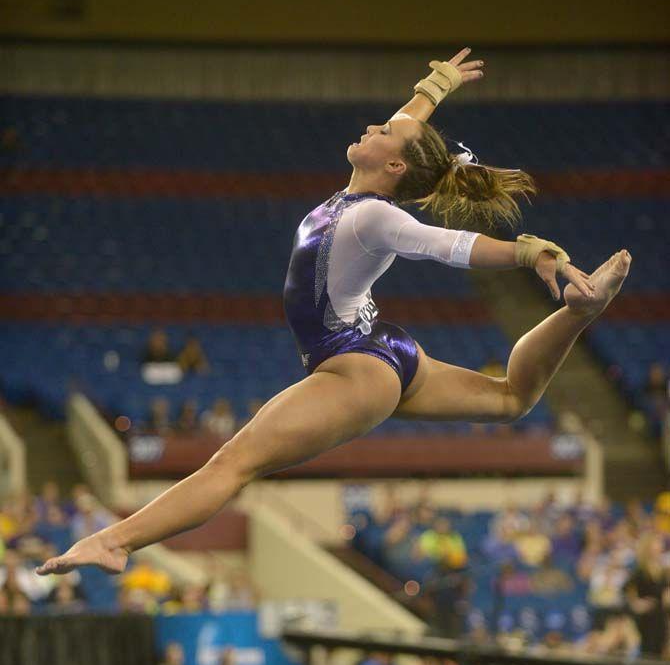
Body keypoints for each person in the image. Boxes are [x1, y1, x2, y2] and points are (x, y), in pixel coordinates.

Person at [36, 49, 631, 577]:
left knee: (232, 465)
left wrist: (532, 252)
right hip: (382, 347)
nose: (374, 125)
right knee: (510, 398)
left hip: (355, 366)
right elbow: (407, 125)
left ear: (393, 167)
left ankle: (116, 542)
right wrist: (436, 86)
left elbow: (449, 246)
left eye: (381, 132)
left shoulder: (375, 216)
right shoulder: (365, 191)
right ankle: (583, 311)